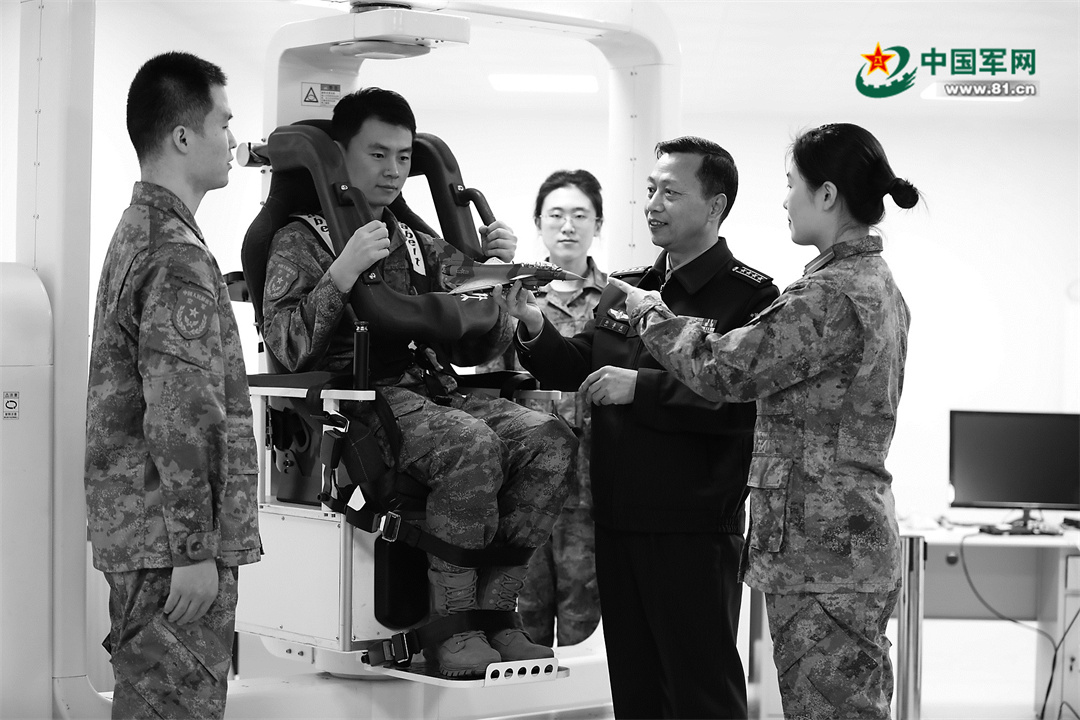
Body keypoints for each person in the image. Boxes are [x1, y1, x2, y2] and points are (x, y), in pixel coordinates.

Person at [259, 87, 576, 678]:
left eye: (403, 157)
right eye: (378, 154)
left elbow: (477, 339)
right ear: (340, 157)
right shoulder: (301, 240)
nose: (392, 171)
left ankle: (496, 614)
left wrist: (496, 272)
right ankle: (450, 627)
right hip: (358, 401)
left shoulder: (415, 242)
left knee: (549, 439)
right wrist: (341, 274)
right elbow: (287, 345)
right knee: (470, 443)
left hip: (434, 392)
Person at [610, 122, 918, 719]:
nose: (784, 200)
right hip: (839, 542)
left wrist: (650, 314)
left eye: (791, 184)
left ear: (826, 194)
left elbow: (725, 371)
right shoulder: (872, 283)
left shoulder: (830, 295)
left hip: (822, 548)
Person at [496, 137, 779, 718]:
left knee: (700, 693)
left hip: (692, 529)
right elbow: (579, 366)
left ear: (716, 205)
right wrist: (531, 322)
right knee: (635, 691)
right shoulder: (626, 289)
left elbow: (742, 405)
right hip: (617, 520)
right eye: (650, 190)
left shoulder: (748, 297)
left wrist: (641, 388)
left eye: (671, 192)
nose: (652, 204)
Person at [84, 52, 262, 719]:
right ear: (184, 136)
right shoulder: (176, 253)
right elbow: (181, 412)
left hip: (148, 533)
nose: (233, 139)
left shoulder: (143, 231)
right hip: (171, 547)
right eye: (224, 122)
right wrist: (193, 550)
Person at [479, 169, 607, 647]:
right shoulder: (515, 297)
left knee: (584, 610)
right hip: (524, 480)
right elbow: (491, 383)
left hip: (591, 482)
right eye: (556, 215)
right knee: (521, 609)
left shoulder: (615, 301)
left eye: (580, 215)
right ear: (538, 223)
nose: (567, 226)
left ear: (598, 224)